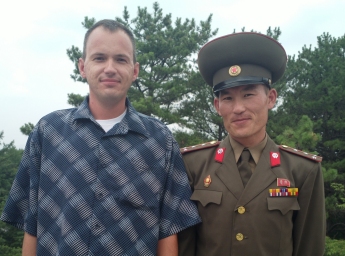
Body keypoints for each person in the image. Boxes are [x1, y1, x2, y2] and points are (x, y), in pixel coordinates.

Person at [0, 19, 201, 256]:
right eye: (99, 58)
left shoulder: (160, 142)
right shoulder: (48, 133)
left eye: (120, 59)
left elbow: (168, 231)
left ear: (134, 71)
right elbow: (31, 222)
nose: (110, 68)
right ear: (82, 67)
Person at [178, 32, 326, 255]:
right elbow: (184, 245)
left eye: (248, 95)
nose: (238, 108)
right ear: (217, 106)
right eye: (227, 98)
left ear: (271, 98)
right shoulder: (193, 165)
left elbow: (310, 247)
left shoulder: (302, 170)